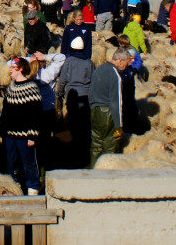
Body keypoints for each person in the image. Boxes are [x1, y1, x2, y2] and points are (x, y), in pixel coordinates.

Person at [2, 57, 43, 195]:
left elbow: (35, 114)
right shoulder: (11, 87)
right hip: (10, 134)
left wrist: (32, 135)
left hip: (25, 135)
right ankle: (14, 186)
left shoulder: (31, 88)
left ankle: (33, 187)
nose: (10, 70)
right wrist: (3, 130)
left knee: (28, 162)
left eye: (13, 68)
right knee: (11, 162)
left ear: (21, 69)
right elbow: (6, 111)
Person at [89, 49, 131, 168]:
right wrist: (118, 125)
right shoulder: (115, 75)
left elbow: (90, 92)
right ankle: (107, 173)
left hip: (95, 111)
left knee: (96, 144)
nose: (127, 65)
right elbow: (116, 101)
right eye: (126, 62)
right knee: (110, 145)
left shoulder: (99, 69)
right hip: (108, 113)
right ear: (120, 61)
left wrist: (92, 108)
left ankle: (94, 170)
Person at [56, 37, 94, 166]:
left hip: (72, 96)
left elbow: (63, 79)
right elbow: (93, 79)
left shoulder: (69, 61)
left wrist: (59, 93)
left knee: (73, 123)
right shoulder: (89, 62)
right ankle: (85, 152)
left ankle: (74, 151)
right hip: (86, 95)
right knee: (85, 124)